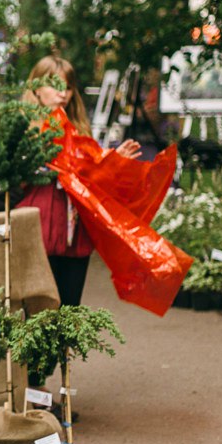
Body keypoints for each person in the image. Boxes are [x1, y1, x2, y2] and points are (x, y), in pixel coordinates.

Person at [19, 55, 141, 309]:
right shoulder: (23, 127)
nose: (63, 94)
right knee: (38, 308)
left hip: (73, 230)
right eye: (56, 86)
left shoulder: (77, 130)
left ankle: (63, 350)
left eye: (69, 87)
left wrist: (113, 162)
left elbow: (91, 175)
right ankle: (41, 351)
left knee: (70, 307)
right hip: (37, 224)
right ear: (37, 88)